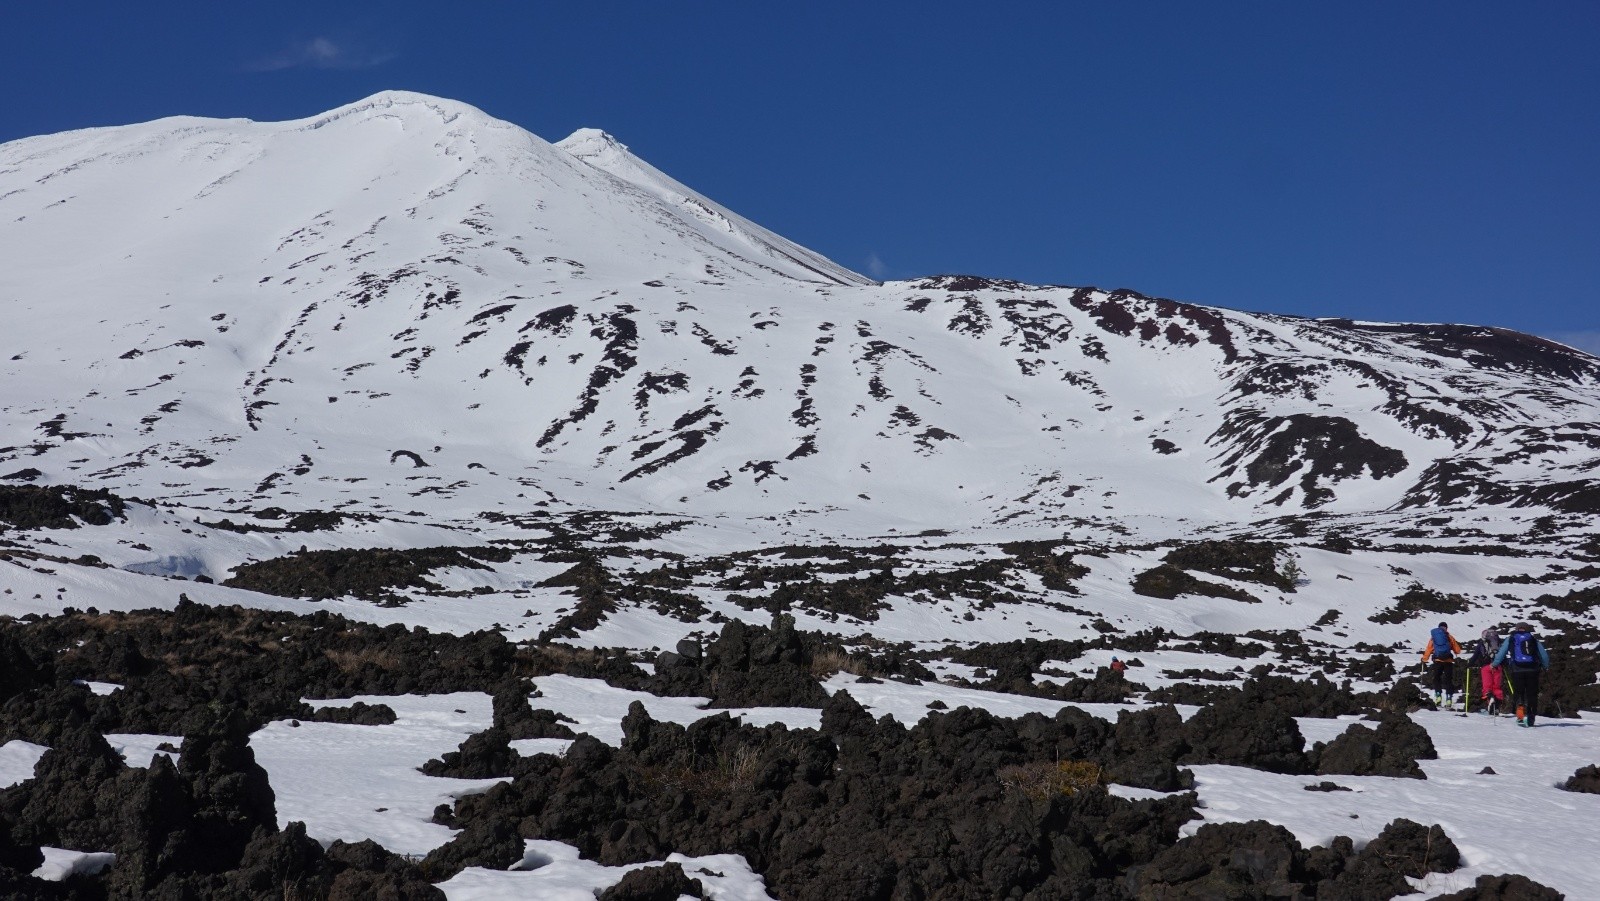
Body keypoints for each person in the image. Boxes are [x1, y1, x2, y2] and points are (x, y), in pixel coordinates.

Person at [1492, 623, 1551, 726]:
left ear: (1517, 629)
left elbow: (1501, 653)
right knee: (1532, 694)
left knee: (1519, 693)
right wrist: (1545, 666)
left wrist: (1494, 664)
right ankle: (1531, 718)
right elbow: (1544, 655)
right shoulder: (1532, 638)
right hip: (1533, 670)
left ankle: (1520, 716)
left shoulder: (1511, 638)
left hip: (1517, 669)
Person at [1421, 621, 1462, 709]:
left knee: (1436, 679)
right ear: (1446, 628)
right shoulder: (1449, 637)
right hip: (1448, 661)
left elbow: (1429, 649)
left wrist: (1424, 659)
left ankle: (1438, 696)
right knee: (1448, 680)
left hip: (1437, 661)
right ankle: (1448, 699)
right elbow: (1458, 650)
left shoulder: (1434, 638)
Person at [1469, 627, 1505, 716]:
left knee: (1487, 686)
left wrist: (1469, 664)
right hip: (1497, 666)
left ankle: (1490, 698)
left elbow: (1475, 656)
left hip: (1486, 667)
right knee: (1497, 687)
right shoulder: (1498, 642)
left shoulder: (1481, 644)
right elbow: (1503, 654)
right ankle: (1496, 706)